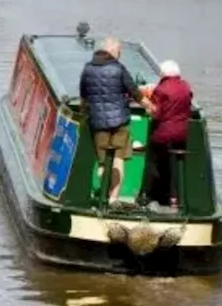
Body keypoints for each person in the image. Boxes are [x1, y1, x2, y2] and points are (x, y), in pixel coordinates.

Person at [79, 37, 145, 205]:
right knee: (118, 160)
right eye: (119, 51)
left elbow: (83, 96)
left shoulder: (87, 69)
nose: (120, 54)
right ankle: (113, 198)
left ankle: (102, 195)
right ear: (113, 52)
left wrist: (84, 114)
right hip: (119, 122)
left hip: (98, 122)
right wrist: (150, 106)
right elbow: (134, 92)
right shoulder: (119, 69)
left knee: (102, 162)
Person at [139, 60, 194, 211]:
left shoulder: (161, 89)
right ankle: (175, 198)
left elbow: (157, 114)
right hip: (181, 134)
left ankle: (150, 196)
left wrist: (149, 109)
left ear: (163, 74)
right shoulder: (186, 86)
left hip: (163, 135)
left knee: (154, 163)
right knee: (174, 165)